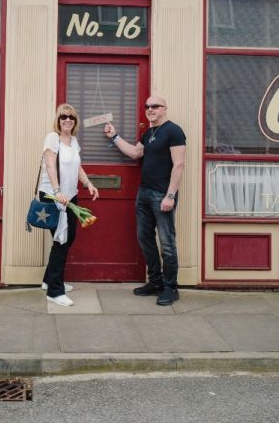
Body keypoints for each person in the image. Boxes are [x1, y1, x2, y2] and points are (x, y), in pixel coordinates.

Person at [104, 95, 186, 306]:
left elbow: (179, 165)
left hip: (162, 195)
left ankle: (171, 288)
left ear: (164, 109)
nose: (150, 109)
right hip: (145, 193)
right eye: (147, 106)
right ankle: (156, 282)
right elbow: (134, 152)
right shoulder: (149, 132)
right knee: (144, 238)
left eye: (155, 106)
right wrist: (114, 137)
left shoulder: (174, 131)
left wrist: (170, 195)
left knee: (167, 243)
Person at [38, 103, 99, 307]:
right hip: (54, 196)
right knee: (61, 240)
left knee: (68, 236)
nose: (67, 120)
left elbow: (77, 166)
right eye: (63, 116)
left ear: (75, 121)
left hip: (70, 195)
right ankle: (55, 292)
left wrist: (88, 183)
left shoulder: (73, 141)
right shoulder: (52, 138)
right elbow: (49, 164)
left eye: (71, 117)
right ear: (58, 119)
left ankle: (49, 280)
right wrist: (57, 191)